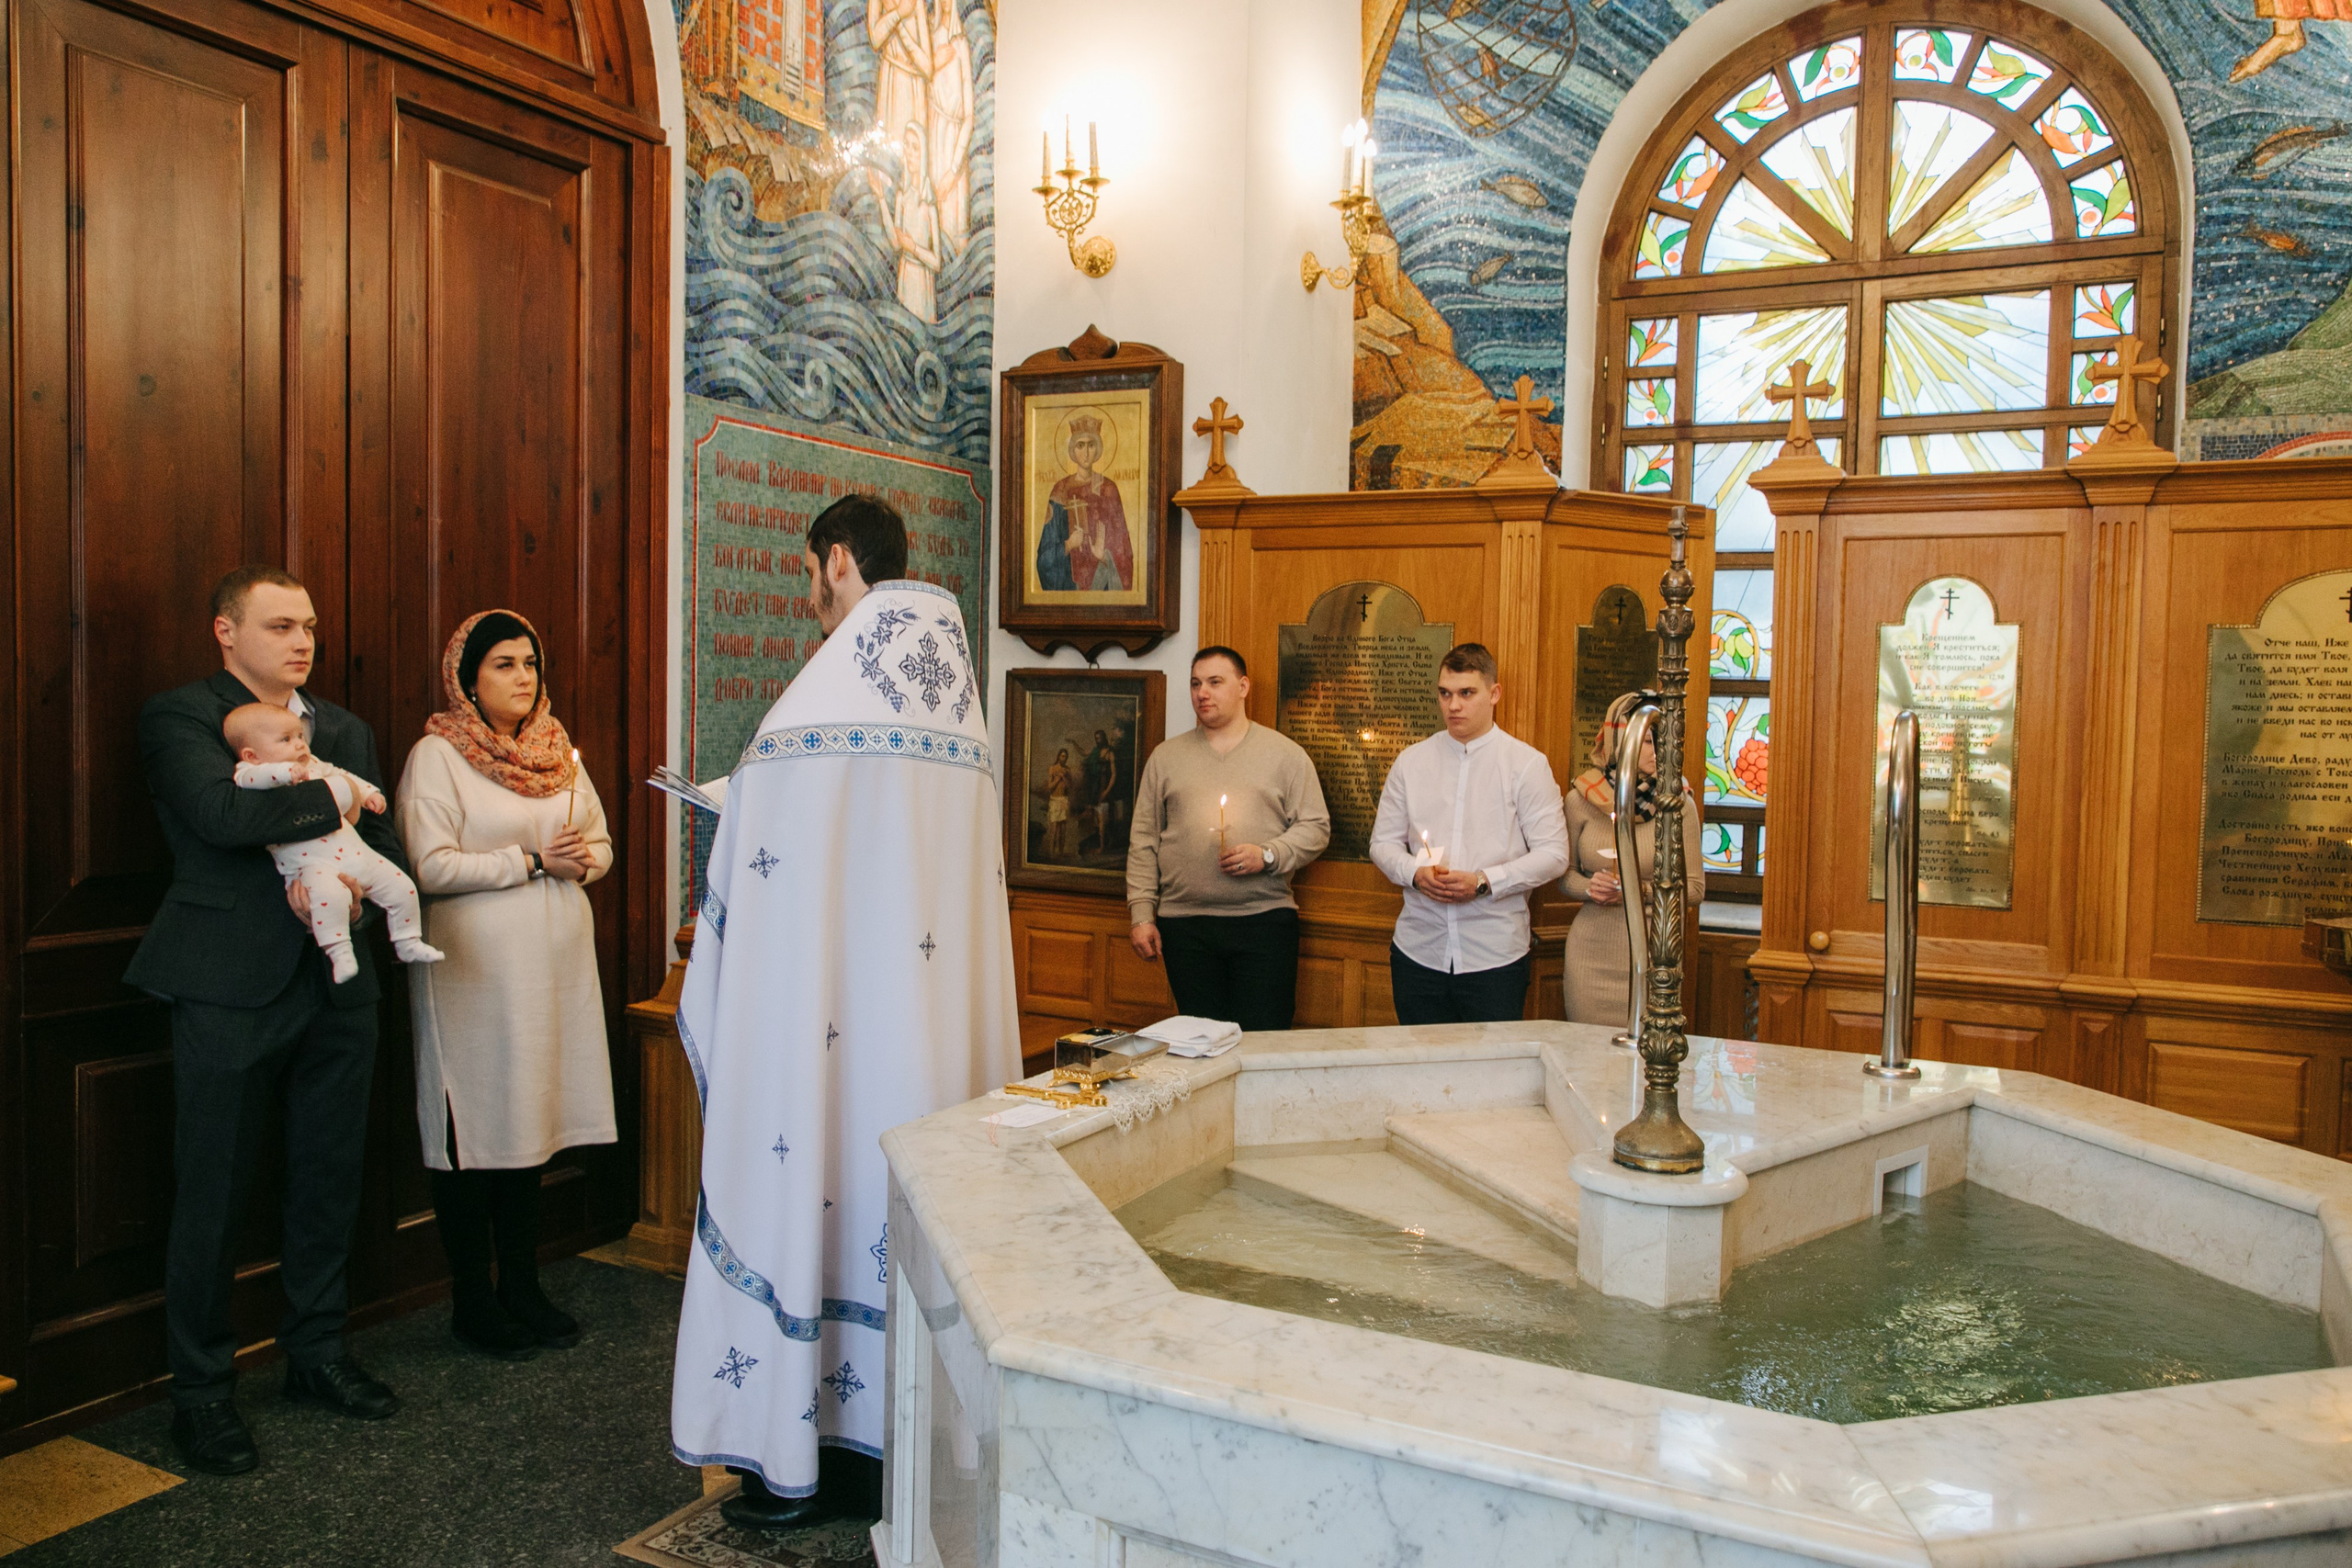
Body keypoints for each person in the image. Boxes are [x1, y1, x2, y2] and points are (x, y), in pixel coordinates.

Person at [671, 494, 1019, 1530]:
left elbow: (779, 816)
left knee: (815, 1195)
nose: (811, 596)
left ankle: (801, 1448)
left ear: (834, 561)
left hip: (831, 1022)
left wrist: (731, 808)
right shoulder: (954, 690)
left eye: (810, 574)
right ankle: (891, 1448)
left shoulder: (829, 687)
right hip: (924, 1031)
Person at [127, 565, 408, 1477]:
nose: (302, 642)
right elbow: (217, 814)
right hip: (225, 980)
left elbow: (385, 846)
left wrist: (353, 893)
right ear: (226, 631)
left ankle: (316, 1354)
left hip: (339, 982)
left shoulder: (347, 728)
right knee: (212, 1190)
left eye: (310, 626)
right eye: (281, 625)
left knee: (328, 1177)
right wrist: (336, 797)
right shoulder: (182, 715)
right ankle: (201, 1393)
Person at [395, 610, 616, 1362]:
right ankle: (472, 1298)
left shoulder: (557, 749)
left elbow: (601, 844)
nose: (523, 677)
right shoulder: (438, 755)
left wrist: (581, 858)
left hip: (552, 973)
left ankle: (522, 1284)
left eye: (530, 663)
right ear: (467, 679)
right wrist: (528, 861)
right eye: (504, 664)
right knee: (478, 1127)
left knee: (530, 1122)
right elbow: (429, 864)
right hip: (475, 977)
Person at [1127, 647, 1330, 1032]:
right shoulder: (1166, 758)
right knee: (1200, 1043)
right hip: (1184, 925)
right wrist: (1141, 914)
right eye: (1195, 684)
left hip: (1263, 922)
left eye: (1214, 682)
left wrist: (1268, 855)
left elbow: (1316, 828)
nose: (1202, 693)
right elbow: (1143, 840)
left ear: (1243, 687)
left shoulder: (1285, 755)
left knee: (1263, 1040)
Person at [1368, 644, 1568, 1025]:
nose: (1453, 705)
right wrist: (1415, 874)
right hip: (1419, 950)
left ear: (1494, 694)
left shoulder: (1526, 765)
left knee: (1492, 1063)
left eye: (1466, 693)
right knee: (1420, 1059)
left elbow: (1554, 854)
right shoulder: (1411, 762)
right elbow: (1382, 843)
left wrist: (1483, 881)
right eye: (1445, 693)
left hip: (1494, 956)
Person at [228, 704, 443, 984]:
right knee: (330, 898)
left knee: (403, 887)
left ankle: (408, 941)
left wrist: (368, 794)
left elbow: (342, 775)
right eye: (286, 739)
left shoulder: (314, 765)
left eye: (300, 736)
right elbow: (248, 780)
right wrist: (283, 772)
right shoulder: (250, 770)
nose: (299, 745)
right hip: (313, 866)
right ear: (251, 755)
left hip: (356, 853)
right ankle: (339, 952)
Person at [1562, 692, 1705, 1026]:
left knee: (1649, 1051)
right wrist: (1590, 888)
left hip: (1655, 956)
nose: (1659, 751)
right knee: (1587, 1050)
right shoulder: (1580, 799)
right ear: (1619, 743)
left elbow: (1695, 889)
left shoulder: (1678, 803)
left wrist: (1635, 891)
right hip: (1591, 954)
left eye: (1664, 739)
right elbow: (1565, 876)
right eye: (1648, 742)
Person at [1045, 748, 1074, 857]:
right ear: (1058, 756)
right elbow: (1049, 787)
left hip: (1064, 800)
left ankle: (1060, 853)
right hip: (1054, 800)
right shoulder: (1052, 768)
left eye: (1065, 757)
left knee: (1063, 830)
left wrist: (1064, 777)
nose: (1064, 759)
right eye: (1062, 756)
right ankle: (1051, 853)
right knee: (1054, 829)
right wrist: (1058, 779)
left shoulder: (1067, 770)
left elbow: (1070, 787)